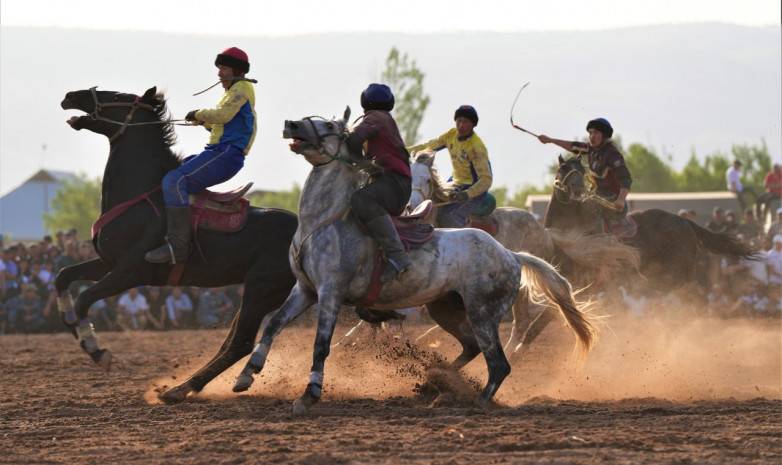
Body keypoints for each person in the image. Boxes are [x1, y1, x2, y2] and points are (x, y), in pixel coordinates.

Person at [146, 47, 256, 264]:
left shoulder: (242, 89)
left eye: (224, 68)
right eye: (219, 68)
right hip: (218, 151)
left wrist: (200, 114)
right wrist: (204, 122)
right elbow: (223, 126)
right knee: (172, 171)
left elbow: (223, 116)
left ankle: (178, 248)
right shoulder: (234, 91)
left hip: (225, 154)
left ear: (238, 70)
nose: (219, 73)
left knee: (174, 181)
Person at [346, 83, 413, 283]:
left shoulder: (375, 117)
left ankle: (398, 257)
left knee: (361, 199)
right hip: (394, 183)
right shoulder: (384, 118)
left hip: (394, 185)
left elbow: (354, 140)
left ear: (364, 102)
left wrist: (358, 162)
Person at [408, 105, 494, 228]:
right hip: (454, 184)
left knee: (447, 217)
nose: (461, 125)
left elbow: (486, 180)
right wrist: (401, 150)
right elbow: (428, 146)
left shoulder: (476, 147)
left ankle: (468, 245)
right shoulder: (451, 135)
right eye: (459, 121)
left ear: (473, 124)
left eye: (466, 122)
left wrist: (466, 194)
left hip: (472, 189)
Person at [538, 118, 632, 227]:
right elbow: (573, 146)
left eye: (596, 133)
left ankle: (601, 239)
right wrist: (550, 140)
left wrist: (621, 200)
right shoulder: (591, 148)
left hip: (611, 200)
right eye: (590, 133)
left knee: (587, 205)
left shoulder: (613, 155)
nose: (592, 136)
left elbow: (626, 178)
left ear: (604, 135)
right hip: (595, 196)